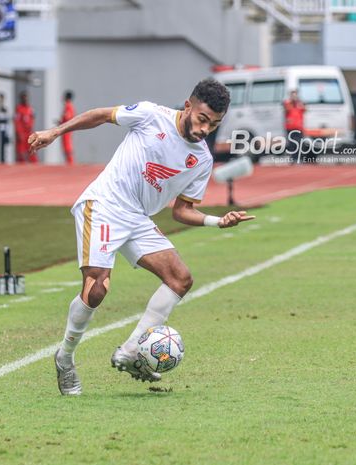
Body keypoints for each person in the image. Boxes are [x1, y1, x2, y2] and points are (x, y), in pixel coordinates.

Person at [28, 78, 255, 396]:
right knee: (96, 290)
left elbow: (181, 211)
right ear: (188, 106)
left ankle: (132, 350)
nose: (206, 129)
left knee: (180, 278)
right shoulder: (151, 114)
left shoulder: (201, 159)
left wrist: (219, 221)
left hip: (137, 218)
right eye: (203, 119)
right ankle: (65, 359)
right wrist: (56, 132)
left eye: (214, 124)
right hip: (104, 204)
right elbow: (100, 115)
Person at [283, 89, 306, 162]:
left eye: (295, 95)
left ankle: (300, 158)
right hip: (290, 127)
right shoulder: (288, 103)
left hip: (299, 127)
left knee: (300, 143)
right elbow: (286, 110)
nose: (294, 97)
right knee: (292, 143)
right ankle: (293, 158)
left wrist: (298, 103)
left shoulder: (300, 103)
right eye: (293, 95)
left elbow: (305, 109)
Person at [14, 91, 35, 163]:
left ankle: (34, 164)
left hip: (29, 132)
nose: (25, 100)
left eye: (26, 98)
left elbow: (32, 118)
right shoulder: (19, 109)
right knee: (21, 150)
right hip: (22, 133)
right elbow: (17, 121)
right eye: (24, 98)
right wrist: (19, 132)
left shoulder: (30, 108)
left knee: (31, 148)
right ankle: (21, 163)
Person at [59, 91, 75, 165]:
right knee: (66, 145)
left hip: (66, 129)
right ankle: (69, 162)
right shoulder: (69, 106)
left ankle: (70, 162)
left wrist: (61, 121)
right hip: (66, 128)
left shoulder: (68, 106)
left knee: (67, 146)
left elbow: (67, 117)